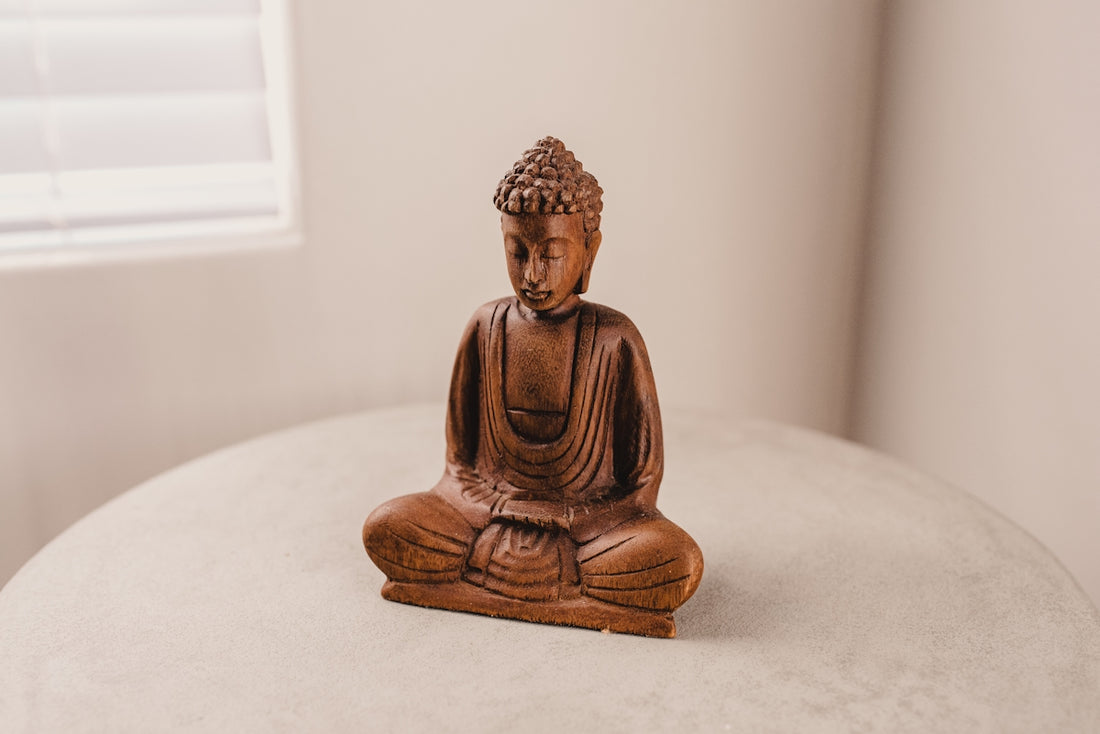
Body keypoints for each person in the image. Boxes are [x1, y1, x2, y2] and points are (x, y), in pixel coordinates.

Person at [363, 137, 702, 629]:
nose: (533, 273)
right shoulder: (486, 327)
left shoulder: (615, 339)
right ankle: (546, 580)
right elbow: (459, 465)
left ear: (589, 250)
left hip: (586, 533)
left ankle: (501, 574)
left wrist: (570, 520)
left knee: (675, 560)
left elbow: (640, 486)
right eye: (517, 251)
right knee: (387, 528)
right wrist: (496, 508)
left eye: (552, 253)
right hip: (484, 520)